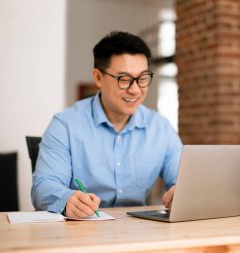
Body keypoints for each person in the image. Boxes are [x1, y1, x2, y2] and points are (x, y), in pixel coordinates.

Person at [31, 31, 182, 218]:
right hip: (81, 230)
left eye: (143, 79)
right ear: (98, 78)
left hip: (139, 230)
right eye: (124, 79)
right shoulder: (65, 125)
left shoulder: (161, 128)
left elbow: (183, 178)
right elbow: (43, 186)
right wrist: (67, 199)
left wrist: (180, 191)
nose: (135, 90)